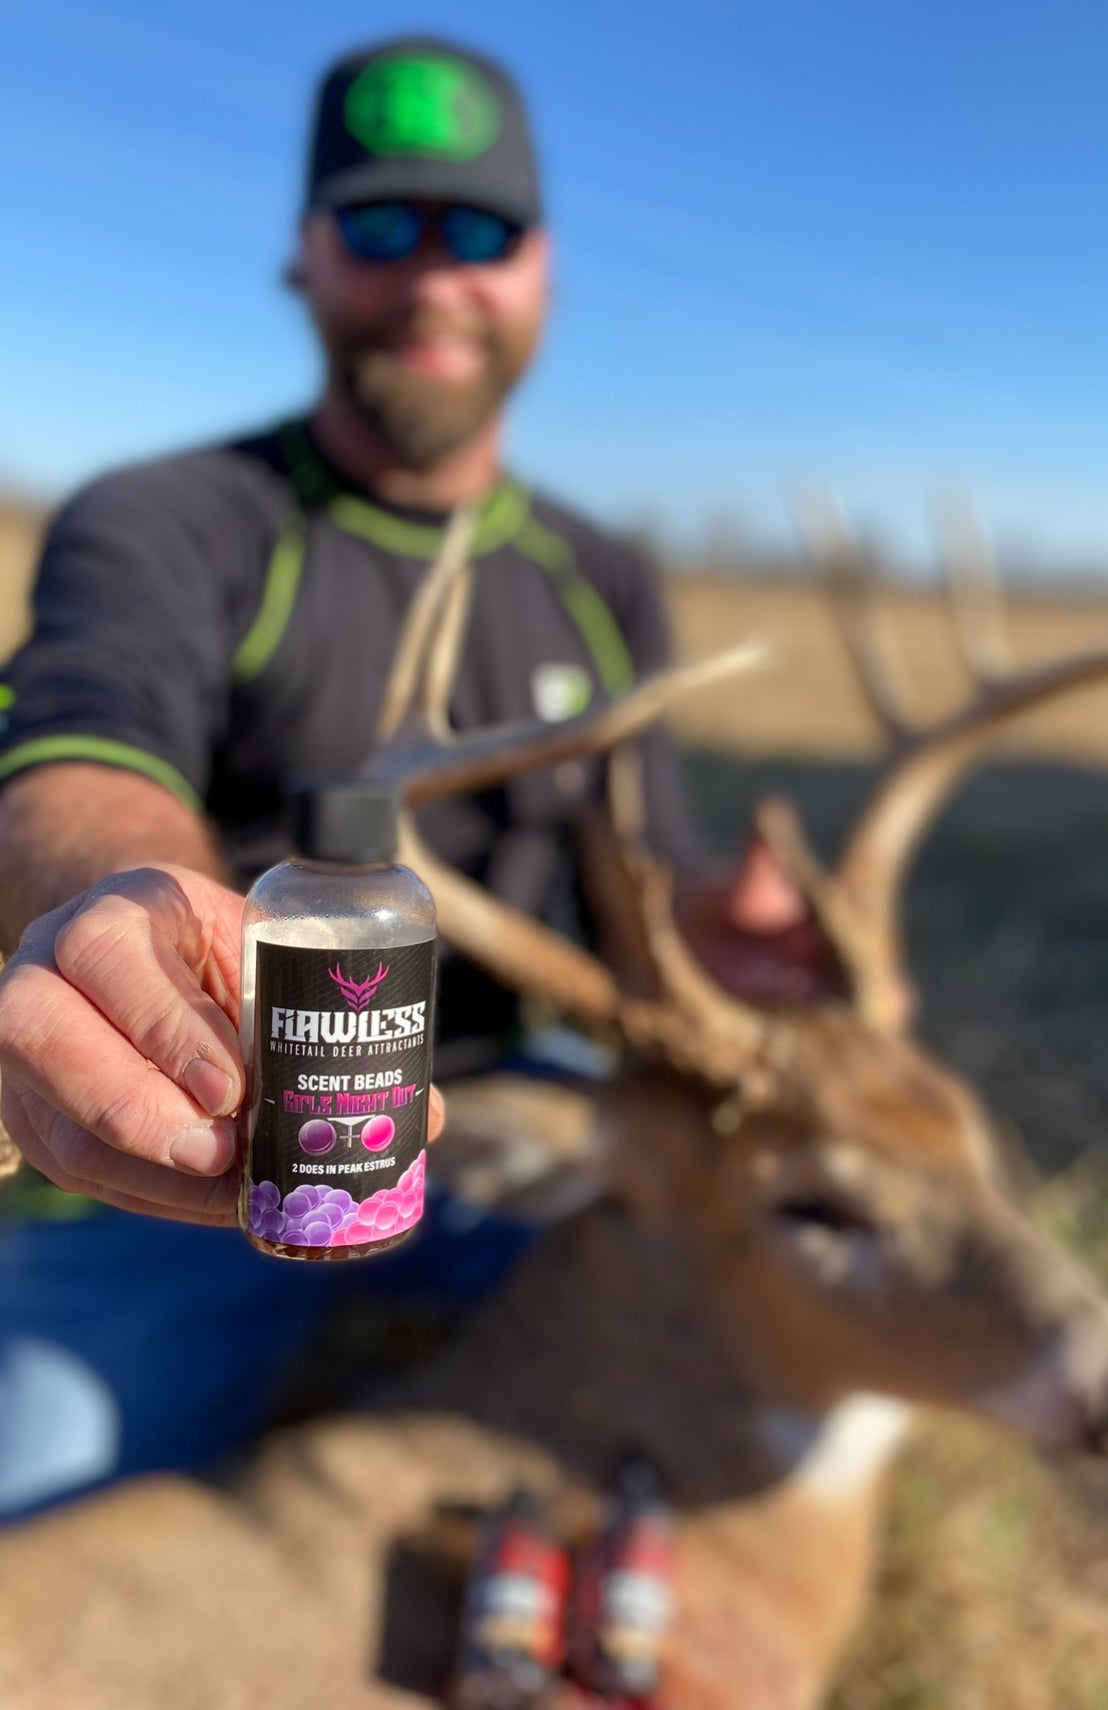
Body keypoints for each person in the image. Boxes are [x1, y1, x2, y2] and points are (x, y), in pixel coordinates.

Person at [0, 36, 819, 1519]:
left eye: (477, 231)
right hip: (194, 1150)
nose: (432, 278)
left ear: (541, 269)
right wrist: (117, 896)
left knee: (756, 1394)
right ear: (306, 258)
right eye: (379, 227)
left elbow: (638, 895)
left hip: (508, 1137)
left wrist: (717, 932)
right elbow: (76, 741)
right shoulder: (165, 519)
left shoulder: (603, 579)